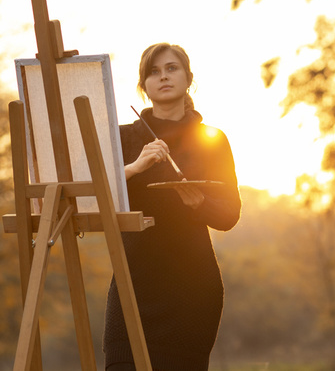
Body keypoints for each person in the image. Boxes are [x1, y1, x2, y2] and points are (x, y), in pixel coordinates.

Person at [103, 43, 242, 371]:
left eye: (171, 68)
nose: (163, 77)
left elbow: (229, 215)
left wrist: (200, 203)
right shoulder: (120, 138)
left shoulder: (212, 139)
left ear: (188, 79)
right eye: (153, 72)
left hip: (192, 291)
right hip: (131, 285)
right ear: (143, 86)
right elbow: (93, 195)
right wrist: (134, 167)